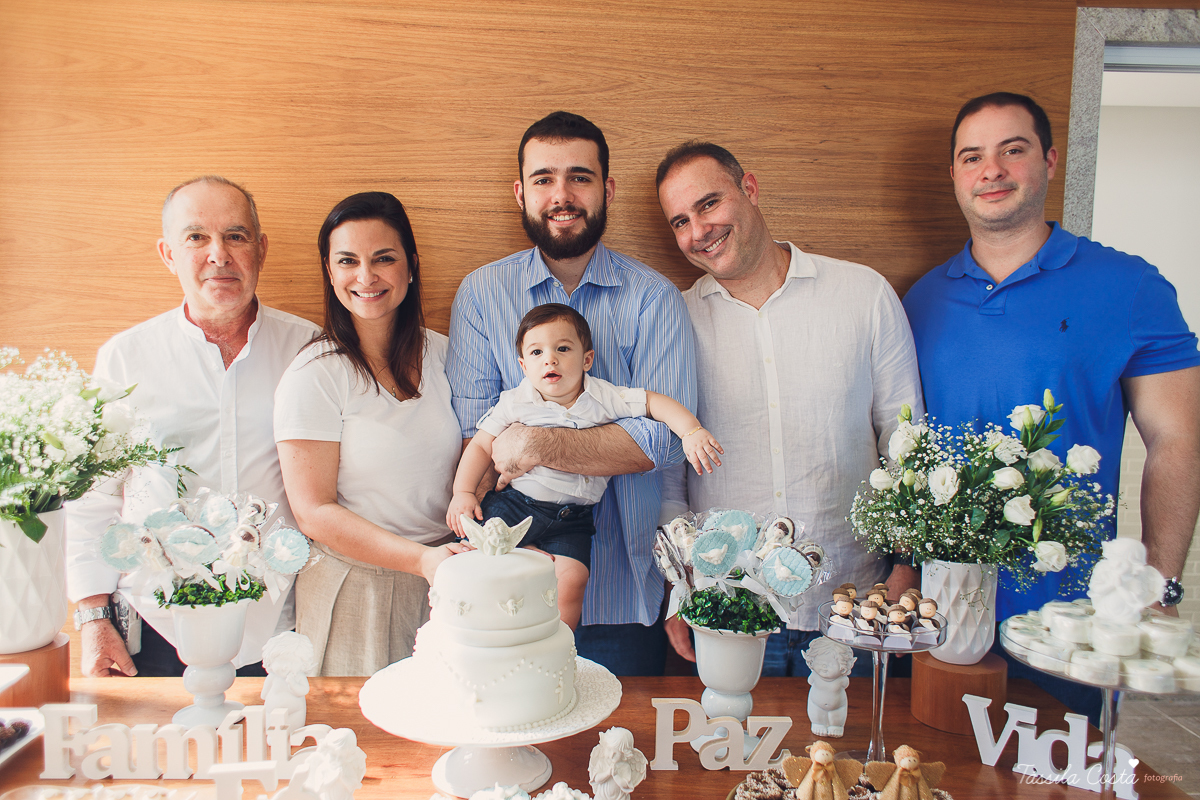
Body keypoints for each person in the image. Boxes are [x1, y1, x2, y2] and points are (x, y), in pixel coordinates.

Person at [903, 92, 1200, 720]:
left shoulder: (1131, 288)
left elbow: (1177, 441)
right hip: (940, 616)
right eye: (972, 157)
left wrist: (1159, 584)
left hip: (1067, 620)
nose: (992, 171)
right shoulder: (919, 300)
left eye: (1013, 150)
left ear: (1050, 160)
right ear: (953, 175)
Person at [655, 142, 924, 676]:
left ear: (749, 189)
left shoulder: (862, 294)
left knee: (844, 756)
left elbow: (907, 443)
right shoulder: (676, 320)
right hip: (728, 606)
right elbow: (668, 475)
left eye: (709, 205)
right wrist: (678, 589)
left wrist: (908, 566)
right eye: (680, 221)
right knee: (733, 755)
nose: (698, 231)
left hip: (855, 601)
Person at [447, 111, 696, 675]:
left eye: (580, 178)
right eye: (544, 179)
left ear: (606, 189)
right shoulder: (482, 294)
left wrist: (538, 443)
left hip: (621, 598)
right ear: (520, 193)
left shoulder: (653, 299)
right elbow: (475, 436)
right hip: (508, 576)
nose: (562, 195)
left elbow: (660, 442)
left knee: (615, 755)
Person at [65, 176, 320, 677]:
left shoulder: (310, 349)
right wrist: (93, 619)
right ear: (168, 253)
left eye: (236, 236)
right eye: (196, 237)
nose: (218, 254)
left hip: (277, 627)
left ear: (261, 250)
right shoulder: (125, 357)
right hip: (155, 625)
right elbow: (93, 501)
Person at [274, 191, 469, 676]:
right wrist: (422, 561)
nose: (366, 277)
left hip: (447, 578)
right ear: (329, 271)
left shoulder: (447, 355)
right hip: (353, 587)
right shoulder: (314, 373)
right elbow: (313, 512)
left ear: (411, 266)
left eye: (384, 258)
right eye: (348, 261)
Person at [448, 303, 722, 629]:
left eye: (562, 349)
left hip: (573, 519)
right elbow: (480, 444)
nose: (550, 359)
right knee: (479, 562)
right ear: (523, 365)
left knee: (573, 577)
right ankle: (477, 635)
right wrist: (462, 491)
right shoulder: (516, 401)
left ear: (586, 359)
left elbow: (653, 402)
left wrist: (691, 431)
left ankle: (556, 650)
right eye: (536, 352)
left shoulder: (602, 396)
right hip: (515, 506)